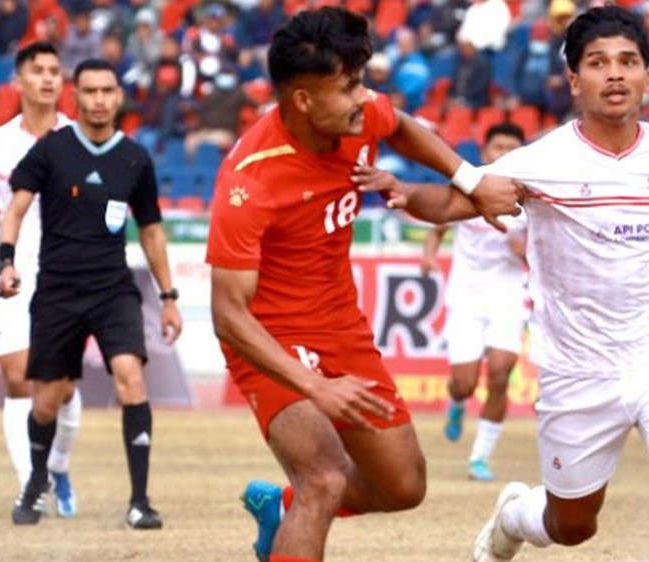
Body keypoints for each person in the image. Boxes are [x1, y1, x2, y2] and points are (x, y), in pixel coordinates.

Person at [352, 7, 649, 562]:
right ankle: (514, 515)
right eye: (599, 63)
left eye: (628, 61)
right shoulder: (540, 160)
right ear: (575, 80)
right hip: (576, 370)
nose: (616, 74)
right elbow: (456, 202)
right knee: (572, 524)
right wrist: (405, 193)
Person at [204, 8, 520, 562]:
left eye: (361, 81)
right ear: (304, 100)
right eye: (349, 86)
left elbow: (402, 126)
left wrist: (470, 180)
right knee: (324, 477)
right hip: (270, 337)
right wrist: (314, 386)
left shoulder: (359, 116)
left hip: (341, 328)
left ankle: (280, 507)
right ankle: (302, 500)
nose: (365, 97)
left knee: (404, 486)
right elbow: (228, 315)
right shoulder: (249, 181)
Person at [0, 58, 182, 530]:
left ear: (119, 97)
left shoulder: (135, 158)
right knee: (47, 401)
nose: (99, 100)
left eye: (107, 91)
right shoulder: (50, 150)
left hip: (113, 289)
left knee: (131, 378)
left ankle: (140, 502)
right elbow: (14, 210)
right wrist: (6, 261)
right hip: (58, 290)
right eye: (90, 91)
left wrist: (168, 297)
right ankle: (36, 482)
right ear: (75, 97)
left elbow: (152, 231)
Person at [0, 42, 82, 519]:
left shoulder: (79, 137)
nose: (48, 78)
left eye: (55, 70)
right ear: (18, 81)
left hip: (67, 275)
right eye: (38, 70)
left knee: (63, 388)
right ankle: (29, 486)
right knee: (18, 379)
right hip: (13, 271)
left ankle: (58, 466)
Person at [421, 123, 528, 482]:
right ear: (485, 151)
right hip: (466, 296)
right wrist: (429, 256)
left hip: (508, 295)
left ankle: (480, 457)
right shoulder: (469, 186)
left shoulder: (530, 195)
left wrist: (525, 250)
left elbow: (547, 247)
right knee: (464, 383)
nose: (504, 154)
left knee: (500, 373)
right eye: (498, 146)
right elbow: (438, 225)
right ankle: (456, 402)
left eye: (512, 148)